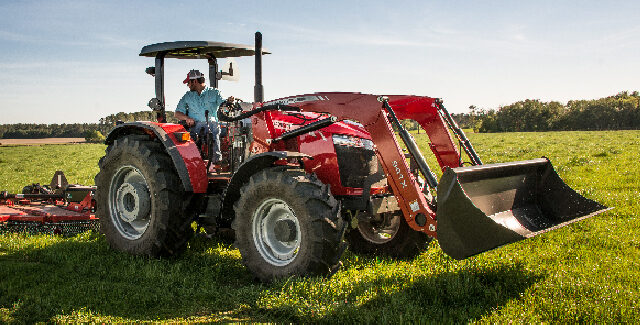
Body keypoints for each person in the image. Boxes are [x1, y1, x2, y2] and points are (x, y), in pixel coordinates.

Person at [175, 69, 233, 163]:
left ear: (195, 81)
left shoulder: (214, 92)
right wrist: (187, 118)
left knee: (215, 126)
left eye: (188, 82)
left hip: (212, 125)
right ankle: (201, 160)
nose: (188, 85)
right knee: (211, 127)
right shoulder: (188, 96)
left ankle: (217, 162)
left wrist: (229, 104)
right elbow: (177, 113)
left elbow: (224, 108)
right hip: (195, 126)